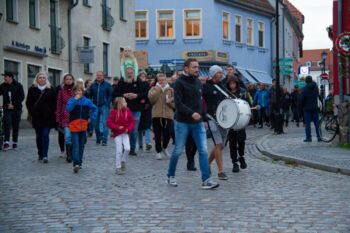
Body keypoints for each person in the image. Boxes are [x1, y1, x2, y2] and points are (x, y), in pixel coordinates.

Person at [166, 58, 219, 189]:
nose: (197, 69)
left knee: (203, 150)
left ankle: (206, 180)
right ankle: (171, 175)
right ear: (186, 68)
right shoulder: (179, 83)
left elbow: (201, 103)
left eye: (198, 67)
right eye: (194, 67)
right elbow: (178, 104)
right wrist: (191, 113)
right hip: (182, 122)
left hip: (198, 122)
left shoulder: (198, 83)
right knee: (178, 150)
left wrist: (204, 119)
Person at [113, 67, 148, 156]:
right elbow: (114, 94)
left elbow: (145, 93)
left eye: (131, 73)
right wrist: (124, 95)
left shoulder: (138, 81)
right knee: (123, 129)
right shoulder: (122, 82)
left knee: (134, 130)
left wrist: (136, 95)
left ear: (134, 73)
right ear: (125, 73)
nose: (129, 74)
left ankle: (132, 148)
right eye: (128, 73)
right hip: (123, 110)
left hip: (136, 109)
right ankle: (125, 147)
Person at [202, 65, 228, 180]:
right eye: (218, 73)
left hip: (222, 119)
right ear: (213, 74)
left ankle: (206, 163)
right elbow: (201, 104)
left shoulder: (222, 86)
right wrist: (204, 119)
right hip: (210, 118)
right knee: (218, 144)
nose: (221, 75)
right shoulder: (205, 87)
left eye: (221, 73)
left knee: (221, 145)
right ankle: (221, 171)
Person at [26, 72, 56, 163]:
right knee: (39, 136)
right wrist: (33, 112)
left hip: (47, 118)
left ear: (46, 79)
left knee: (45, 135)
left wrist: (51, 112)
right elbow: (28, 103)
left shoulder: (51, 89)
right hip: (37, 117)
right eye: (40, 77)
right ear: (37, 79)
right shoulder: (32, 89)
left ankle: (45, 155)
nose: (42, 79)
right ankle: (40, 153)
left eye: (44, 78)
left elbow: (54, 102)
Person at [66, 84, 97, 173]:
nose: (78, 92)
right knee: (75, 145)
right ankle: (76, 163)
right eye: (76, 91)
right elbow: (68, 109)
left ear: (82, 92)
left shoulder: (87, 101)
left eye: (79, 91)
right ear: (74, 92)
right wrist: (75, 100)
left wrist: (92, 118)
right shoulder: (71, 100)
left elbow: (95, 109)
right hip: (74, 126)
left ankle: (79, 162)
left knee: (81, 145)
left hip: (83, 127)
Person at [148, 73, 174, 160]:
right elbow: (151, 100)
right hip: (157, 114)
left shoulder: (171, 90)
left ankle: (164, 147)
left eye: (163, 80)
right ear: (157, 81)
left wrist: (170, 102)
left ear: (166, 80)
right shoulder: (153, 89)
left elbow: (175, 103)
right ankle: (158, 151)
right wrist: (158, 89)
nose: (162, 82)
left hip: (168, 115)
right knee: (158, 134)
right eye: (160, 80)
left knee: (168, 133)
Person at [107, 97, 135, 175]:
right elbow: (109, 122)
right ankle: (118, 167)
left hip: (125, 133)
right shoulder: (114, 112)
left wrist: (129, 129)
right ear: (120, 104)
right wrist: (117, 127)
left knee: (127, 148)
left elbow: (132, 121)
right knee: (119, 151)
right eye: (124, 102)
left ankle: (123, 161)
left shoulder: (127, 110)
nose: (126, 103)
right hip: (117, 134)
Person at [226, 78, 249, 173]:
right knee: (232, 143)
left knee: (241, 141)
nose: (232, 85)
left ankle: (241, 156)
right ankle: (234, 162)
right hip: (231, 122)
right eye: (230, 83)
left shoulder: (242, 93)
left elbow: (247, 104)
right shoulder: (226, 94)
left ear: (236, 83)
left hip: (241, 121)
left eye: (233, 83)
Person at [0, 72, 25, 150]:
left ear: (10, 77)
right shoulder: (3, 85)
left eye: (5, 76)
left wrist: (14, 104)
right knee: (7, 124)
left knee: (15, 125)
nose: (4, 78)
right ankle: (6, 143)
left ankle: (14, 142)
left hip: (17, 109)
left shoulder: (18, 85)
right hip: (7, 108)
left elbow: (22, 97)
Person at [87, 71, 112, 146]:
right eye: (97, 75)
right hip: (95, 106)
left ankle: (104, 140)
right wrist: (90, 104)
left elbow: (110, 95)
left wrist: (107, 104)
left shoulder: (107, 85)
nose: (99, 77)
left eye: (100, 75)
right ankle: (98, 138)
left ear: (103, 76)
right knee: (95, 124)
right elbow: (89, 95)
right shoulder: (93, 85)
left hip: (104, 106)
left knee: (105, 124)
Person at [56, 73, 75, 162]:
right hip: (65, 117)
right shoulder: (61, 92)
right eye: (66, 79)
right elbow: (59, 105)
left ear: (73, 80)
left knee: (73, 136)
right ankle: (69, 155)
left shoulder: (76, 91)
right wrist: (58, 118)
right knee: (67, 136)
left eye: (70, 79)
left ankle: (71, 152)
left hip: (75, 117)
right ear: (64, 81)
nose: (68, 81)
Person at [300, 76, 321, 142]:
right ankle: (319, 136)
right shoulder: (316, 88)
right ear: (311, 80)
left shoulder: (304, 89)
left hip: (307, 108)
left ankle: (309, 138)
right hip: (315, 108)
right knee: (317, 124)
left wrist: (302, 106)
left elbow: (302, 99)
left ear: (306, 81)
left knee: (308, 124)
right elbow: (318, 95)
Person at [137, 71, 152, 152]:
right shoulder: (136, 85)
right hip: (139, 107)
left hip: (147, 108)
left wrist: (147, 102)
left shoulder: (148, 85)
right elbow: (137, 95)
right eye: (141, 76)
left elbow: (149, 95)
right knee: (139, 127)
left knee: (147, 126)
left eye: (144, 76)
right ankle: (140, 144)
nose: (143, 77)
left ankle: (148, 142)